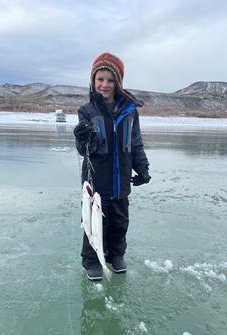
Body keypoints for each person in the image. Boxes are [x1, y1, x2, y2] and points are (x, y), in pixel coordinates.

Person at [73, 52, 151, 281]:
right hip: (96, 182)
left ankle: (116, 255)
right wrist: (81, 137)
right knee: (94, 224)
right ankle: (91, 261)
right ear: (93, 81)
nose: (105, 85)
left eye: (110, 80)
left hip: (121, 181)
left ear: (118, 83)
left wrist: (143, 169)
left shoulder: (129, 111)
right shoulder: (87, 111)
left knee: (119, 221)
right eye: (100, 79)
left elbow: (135, 142)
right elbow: (83, 149)